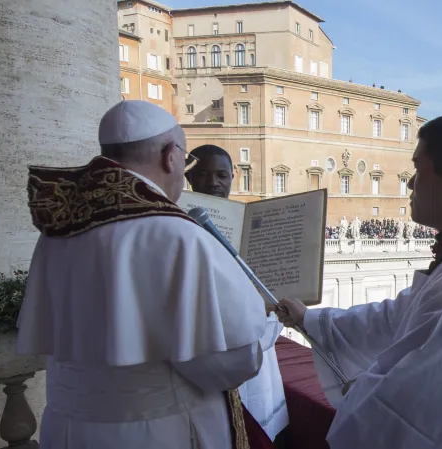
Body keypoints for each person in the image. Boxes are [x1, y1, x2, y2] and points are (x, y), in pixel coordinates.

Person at [17, 100, 274, 449]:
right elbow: (230, 362)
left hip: (67, 428)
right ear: (171, 156)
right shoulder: (177, 234)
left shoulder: (58, 231)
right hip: (156, 431)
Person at [276, 112, 442, 449]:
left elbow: (415, 421)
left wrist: (362, 392)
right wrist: (308, 319)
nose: (410, 183)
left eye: (417, 168)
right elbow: (395, 318)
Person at [185, 144, 290, 447]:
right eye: (202, 174)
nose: (212, 183)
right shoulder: (176, 228)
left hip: (257, 354)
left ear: (233, 176)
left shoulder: (248, 226)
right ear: (189, 179)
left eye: (221, 175)